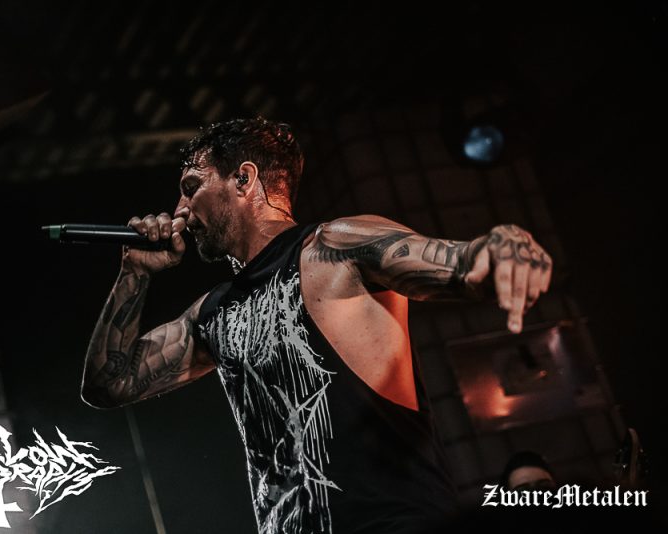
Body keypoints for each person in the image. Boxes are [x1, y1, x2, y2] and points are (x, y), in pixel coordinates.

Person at [80, 117, 553, 534]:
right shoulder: (213, 312)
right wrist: (134, 273)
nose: (180, 209)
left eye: (191, 187)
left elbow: (462, 264)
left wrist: (504, 242)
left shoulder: (334, 247)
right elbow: (109, 382)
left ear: (244, 179)